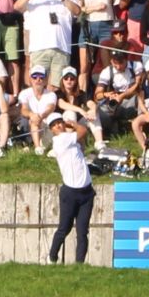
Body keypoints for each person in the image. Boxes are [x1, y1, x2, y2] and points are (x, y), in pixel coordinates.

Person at [47, 109, 97, 264]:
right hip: (70, 192)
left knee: (82, 231)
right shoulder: (60, 140)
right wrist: (72, 123)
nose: (59, 126)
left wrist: (68, 125)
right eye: (55, 125)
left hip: (86, 191)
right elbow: (83, 130)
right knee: (64, 228)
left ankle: (79, 265)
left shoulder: (69, 140)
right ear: (52, 130)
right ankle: (52, 257)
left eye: (60, 122)